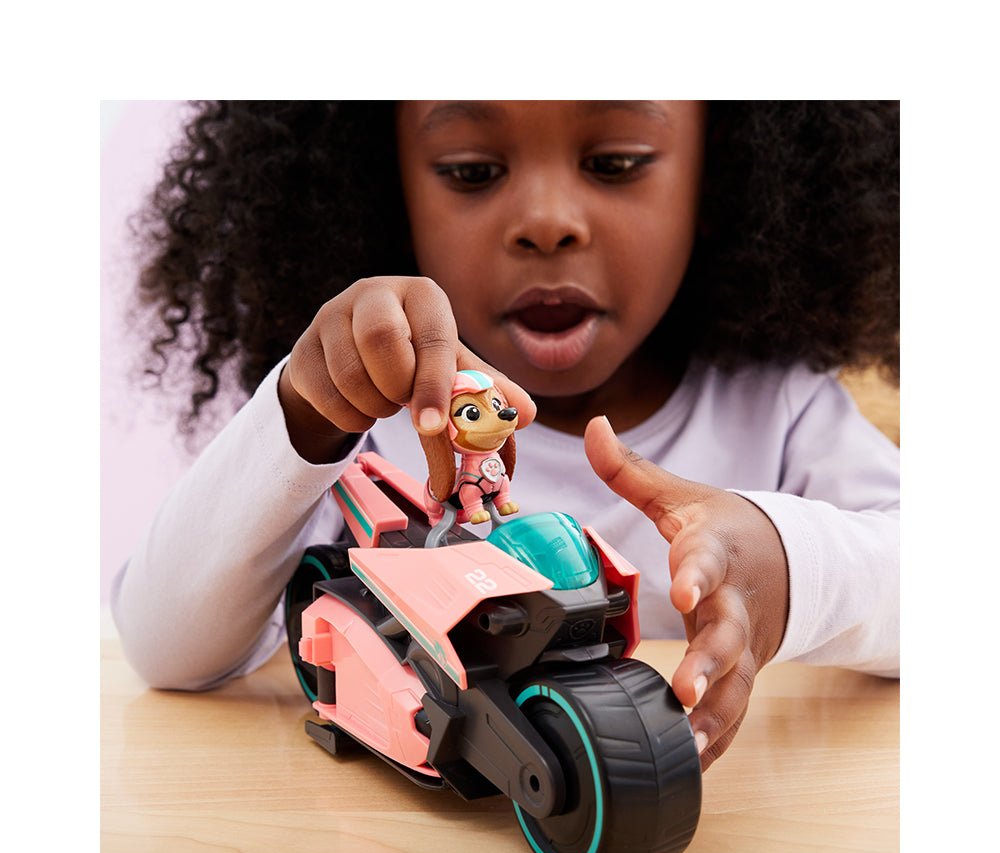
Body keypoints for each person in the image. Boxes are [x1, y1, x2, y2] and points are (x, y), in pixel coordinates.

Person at [112, 100, 900, 770]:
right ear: (385, 186)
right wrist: (308, 409)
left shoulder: (782, 409)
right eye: (472, 171)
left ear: (717, 173)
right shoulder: (371, 428)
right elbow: (165, 648)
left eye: (617, 163)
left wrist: (792, 566)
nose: (546, 223)